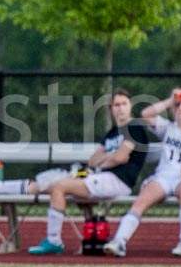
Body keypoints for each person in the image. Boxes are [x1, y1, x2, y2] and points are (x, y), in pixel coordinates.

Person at [18, 89, 151, 255]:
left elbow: (121, 158)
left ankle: (54, 242)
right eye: (116, 105)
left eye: (124, 104)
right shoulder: (112, 133)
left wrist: (104, 161)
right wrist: (107, 158)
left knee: (59, 187)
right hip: (101, 177)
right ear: (111, 109)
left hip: (118, 181)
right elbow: (93, 160)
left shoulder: (134, 128)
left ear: (130, 106)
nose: (121, 108)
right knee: (54, 186)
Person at [103, 88, 181, 258]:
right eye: (177, 106)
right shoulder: (167, 127)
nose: (180, 108)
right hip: (165, 176)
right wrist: (170, 100)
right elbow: (145, 114)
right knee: (142, 200)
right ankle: (119, 241)